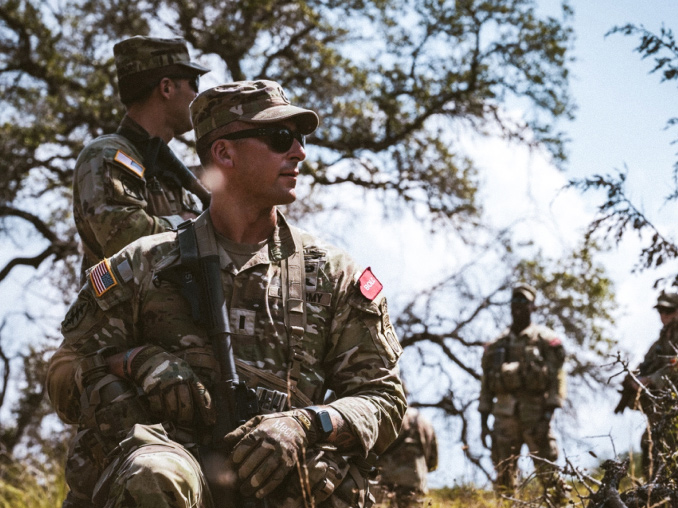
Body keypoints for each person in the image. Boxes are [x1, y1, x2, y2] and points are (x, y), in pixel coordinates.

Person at [47, 79, 406, 508]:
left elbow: (383, 397)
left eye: (299, 139)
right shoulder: (144, 264)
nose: (299, 152)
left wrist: (307, 424)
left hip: (275, 476)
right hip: (173, 468)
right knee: (156, 475)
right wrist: (138, 363)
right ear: (224, 153)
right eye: (279, 138)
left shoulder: (334, 276)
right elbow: (65, 372)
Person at [72, 35, 211, 279]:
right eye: (194, 82)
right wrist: (191, 224)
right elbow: (126, 239)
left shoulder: (165, 170)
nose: (197, 95)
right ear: (166, 87)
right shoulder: (107, 155)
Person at [478, 283, 567, 501]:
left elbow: (558, 378)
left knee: (549, 474)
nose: (518, 307)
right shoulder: (497, 344)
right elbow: (486, 384)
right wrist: (483, 420)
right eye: (515, 302)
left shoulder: (546, 340)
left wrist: (549, 412)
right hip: (504, 419)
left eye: (524, 302)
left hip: (536, 416)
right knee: (504, 478)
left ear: (532, 307)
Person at [614, 288, 678, 479]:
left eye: (669, 310)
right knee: (649, 445)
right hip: (660, 410)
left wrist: (651, 380)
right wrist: (632, 378)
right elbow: (645, 364)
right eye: (660, 311)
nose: (663, 315)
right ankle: (652, 495)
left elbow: (675, 364)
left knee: (670, 450)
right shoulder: (662, 339)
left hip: (673, 409)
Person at [373, 407, 438, 507]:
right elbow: (433, 461)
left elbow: (377, 445)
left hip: (388, 477)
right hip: (417, 480)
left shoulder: (394, 415)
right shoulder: (426, 422)